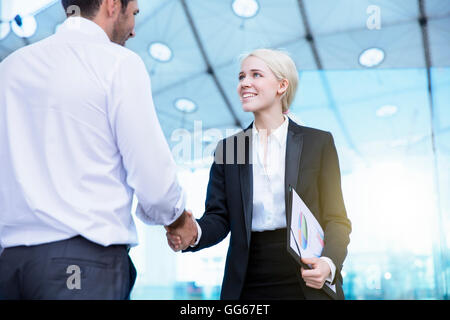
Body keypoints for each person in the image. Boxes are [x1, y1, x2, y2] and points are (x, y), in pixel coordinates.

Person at [0, 0, 196, 300]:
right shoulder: (117, 63)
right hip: (81, 267)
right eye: (134, 14)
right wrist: (179, 220)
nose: (133, 30)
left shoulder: (10, 68)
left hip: (10, 269)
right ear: (112, 5)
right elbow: (153, 182)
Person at [166, 49, 352, 300]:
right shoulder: (229, 149)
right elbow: (219, 218)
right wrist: (194, 232)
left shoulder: (317, 143)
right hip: (248, 278)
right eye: (241, 76)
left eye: (256, 75)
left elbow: (336, 218)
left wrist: (329, 264)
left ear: (281, 85)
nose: (245, 83)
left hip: (307, 275)